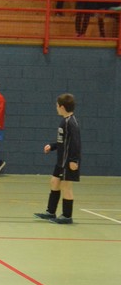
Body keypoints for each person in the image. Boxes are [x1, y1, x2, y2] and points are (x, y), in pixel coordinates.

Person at [34, 93, 81, 224]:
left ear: (62, 107)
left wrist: (74, 160)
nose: (56, 108)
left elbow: (76, 142)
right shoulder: (64, 121)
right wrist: (52, 146)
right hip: (61, 161)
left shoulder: (71, 122)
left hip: (68, 161)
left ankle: (67, 216)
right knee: (54, 182)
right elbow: (63, 141)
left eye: (57, 106)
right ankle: (51, 212)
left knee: (66, 186)